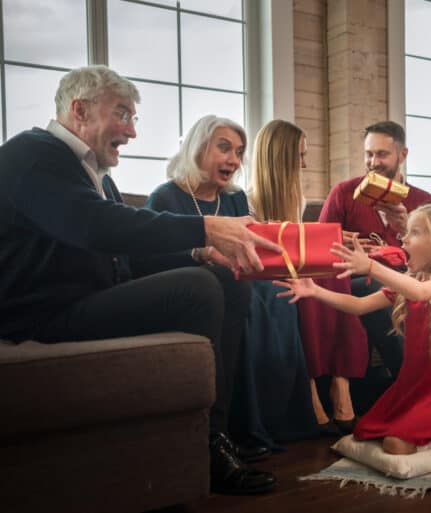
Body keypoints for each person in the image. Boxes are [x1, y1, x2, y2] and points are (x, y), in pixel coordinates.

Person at [0, 65, 281, 495]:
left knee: (223, 278)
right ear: (80, 110)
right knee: (200, 287)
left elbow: (125, 256)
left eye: (134, 118)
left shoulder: (96, 175)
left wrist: (199, 253)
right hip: (41, 316)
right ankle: (207, 444)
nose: (131, 132)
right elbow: (94, 225)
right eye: (123, 115)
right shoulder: (32, 153)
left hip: (88, 301)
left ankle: (217, 437)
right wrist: (204, 229)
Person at [144, 116, 317, 451]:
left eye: (239, 152)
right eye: (224, 148)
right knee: (251, 294)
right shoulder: (164, 198)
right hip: (203, 289)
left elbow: (255, 249)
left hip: (245, 282)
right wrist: (203, 253)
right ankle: (242, 426)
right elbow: (148, 261)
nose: (234, 160)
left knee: (281, 291)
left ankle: (274, 419)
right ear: (197, 147)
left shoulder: (236, 199)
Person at [276, 205, 431, 455]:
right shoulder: (412, 281)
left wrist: (371, 266)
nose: (404, 238)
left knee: (394, 445)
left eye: (414, 233)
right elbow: (359, 306)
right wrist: (315, 291)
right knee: (364, 431)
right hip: (414, 388)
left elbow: (421, 293)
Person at [314, 121, 431, 390]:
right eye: (369, 154)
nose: (373, 162)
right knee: (377, 288)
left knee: (403, 291)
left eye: (382, 154)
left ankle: (419, 385)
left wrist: (406, 228)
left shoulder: (423, 200)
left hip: (407, 277)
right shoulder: (344, 193)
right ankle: (417, 387)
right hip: (358, 278)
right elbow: (318, 247)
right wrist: (344, 243)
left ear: (402, 155)